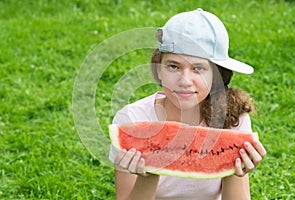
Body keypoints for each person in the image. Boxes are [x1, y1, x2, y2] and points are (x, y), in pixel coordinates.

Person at [109, 8, 266, 200]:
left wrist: (234, 170)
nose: (185, 80)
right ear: (159, 70)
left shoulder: (232, 117)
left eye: (198, 68)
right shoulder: (132, 119)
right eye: (173, 66)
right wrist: (149, 174)